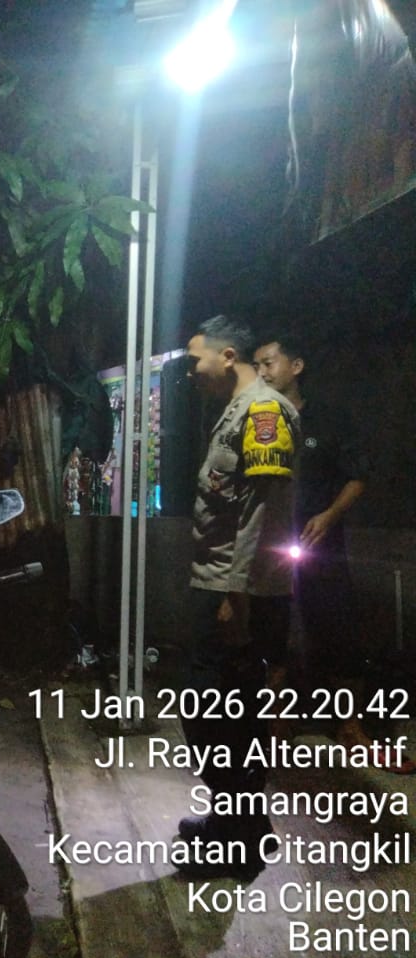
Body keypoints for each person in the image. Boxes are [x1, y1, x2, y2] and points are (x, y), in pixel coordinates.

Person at [175, 314, 299, 879]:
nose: (191, 371)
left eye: (195, 359)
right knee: (217, 716)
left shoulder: (264, 411)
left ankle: (239, 843)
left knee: (222, 716)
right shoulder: (234, 410)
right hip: (221, 583)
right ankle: (238, 827)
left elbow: (263, 514)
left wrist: (238, 594)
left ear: (227, 356)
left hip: (239, 591)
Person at [253, 336, 410, 769]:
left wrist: (328, 516)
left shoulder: (327, 420)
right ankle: (276, 724)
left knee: (338, 630)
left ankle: (350, 727)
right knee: (272, 633)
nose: (262, 372)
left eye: (269, 362)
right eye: (257, 365)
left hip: (321, 547)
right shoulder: (258, 420)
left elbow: (357, 476)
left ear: (296, 365)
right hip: (269, 548)